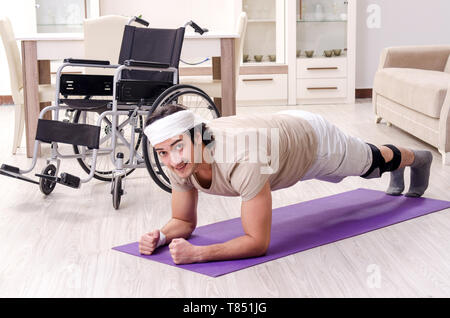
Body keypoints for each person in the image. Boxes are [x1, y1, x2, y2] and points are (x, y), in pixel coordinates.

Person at [139, 104, 433, 265]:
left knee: (370, 162)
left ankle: (418, 159)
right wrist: (162, 236)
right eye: (163, 152)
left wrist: (199, 254)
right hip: (278, 133)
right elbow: (182, 220)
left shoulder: (243, 157)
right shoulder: (180, 161)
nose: (172, 160)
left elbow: (258, 242)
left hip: (313, 142)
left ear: (197, 135)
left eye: (178, 147)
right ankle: (398, 164)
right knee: (370, 161)